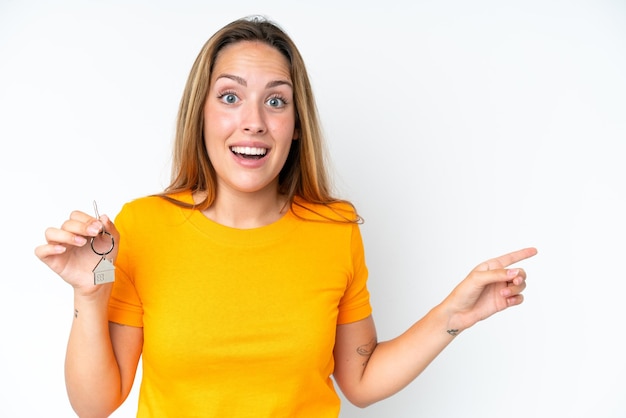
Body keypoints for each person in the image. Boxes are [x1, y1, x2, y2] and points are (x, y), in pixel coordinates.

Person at [35, 15, 537, 418]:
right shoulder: (143, 226)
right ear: (201, 113)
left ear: (296, 125)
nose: (253, 121)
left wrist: (454, 315)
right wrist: (89, 294)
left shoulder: (334, 229)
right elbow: (95, 404)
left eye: (276, 101)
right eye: (230, 97)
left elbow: (359, 382)